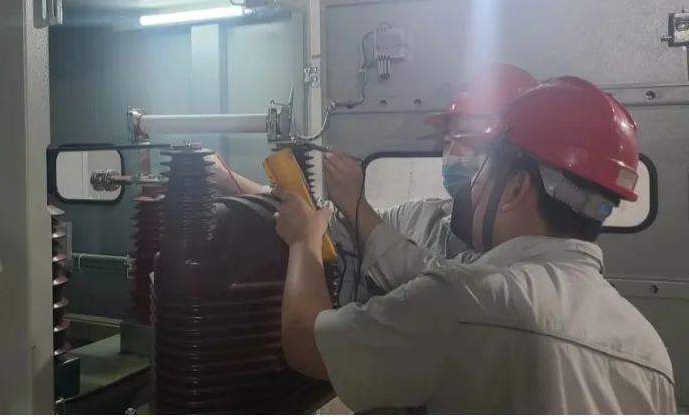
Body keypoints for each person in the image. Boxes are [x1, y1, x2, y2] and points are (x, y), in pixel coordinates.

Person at [273, 77, 676, 413]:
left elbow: (306, 344)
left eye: (484, 169)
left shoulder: (464, 301)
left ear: (515, 188)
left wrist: (303, 242)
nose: (474, 185)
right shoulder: (648, 348)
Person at [209, 63, 538, 300]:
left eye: (465, 137)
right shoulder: (424, 216)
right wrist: (230, 181)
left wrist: (358, 206)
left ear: (510, 156)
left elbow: (440, 285)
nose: (450, 151)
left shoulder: (530, 262)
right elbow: (322, 221)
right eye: (448, 138)